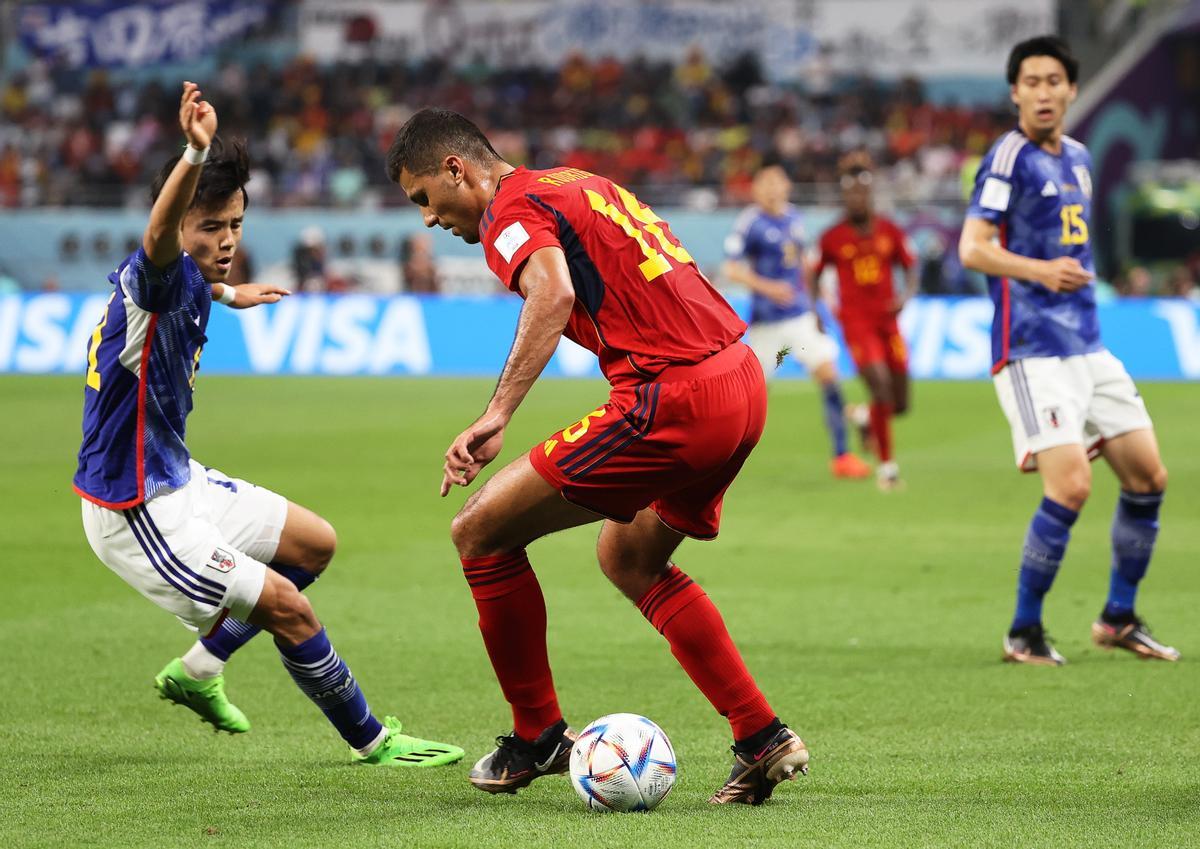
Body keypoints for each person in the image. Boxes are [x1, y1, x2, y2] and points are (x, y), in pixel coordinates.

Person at [387, 108, 809, 806]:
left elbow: (551, 292)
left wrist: (497, 414)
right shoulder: (577, 181)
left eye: (425, 198)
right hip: (739, 377)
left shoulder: (509, 210)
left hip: (671, 398)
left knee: (479, 530)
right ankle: (762, 736)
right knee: (630, 558)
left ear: (456, 169)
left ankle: (538, 734)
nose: (430, 219)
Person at [74, 82, 465, 766]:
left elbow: (196, 272)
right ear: (180, 226)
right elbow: (160, 239)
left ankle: (196, 670)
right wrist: (194, 154)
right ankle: (372, 739)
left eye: (235, 226)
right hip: (135, 509)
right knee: (288, 606)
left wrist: (231, 292)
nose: (226, 242)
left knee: (314, 544)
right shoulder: (156, 272)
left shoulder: (193, 277)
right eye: (211, 229)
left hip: (177, 480)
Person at [959, 37, 1177, 665]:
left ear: (1072, 89)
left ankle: (1118, 617)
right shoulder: (1008, 157)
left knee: (1148, 477)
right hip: (1031, 349)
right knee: (1072, 486)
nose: (1044, 92)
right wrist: (1038, 271)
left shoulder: (1079, 157)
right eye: (1031, 82)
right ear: (1015, 93)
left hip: (1087, 344)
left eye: (1054, 80)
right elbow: (973, 248)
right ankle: (1023, 630)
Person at [723, 163, 870, 479]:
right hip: (767, 325)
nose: (773, 188)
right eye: (766, 183)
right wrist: (769, 287)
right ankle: (721, 458)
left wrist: (818, 307)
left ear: (787, 186)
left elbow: (804, 263)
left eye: (778, 182)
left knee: (828, 374)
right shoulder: (750, 223)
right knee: (754, 397)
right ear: (756, 189)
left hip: (800, 317)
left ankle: (842, 456)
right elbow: (732, 269)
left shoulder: (794, 219)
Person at [813, 156, 918, 490]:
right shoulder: (832, 237)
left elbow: (910, 265)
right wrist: (818, 309)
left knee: (899, 404)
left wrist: (905, 296)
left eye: (861, 194)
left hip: (888, 320)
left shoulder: (890, 230)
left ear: (870, 195)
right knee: (881, 386)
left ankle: (862, 417)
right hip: (856, 323)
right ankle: (887, 470)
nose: (856, 200)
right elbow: (811, 272)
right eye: (850, 196)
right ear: (845, 199)